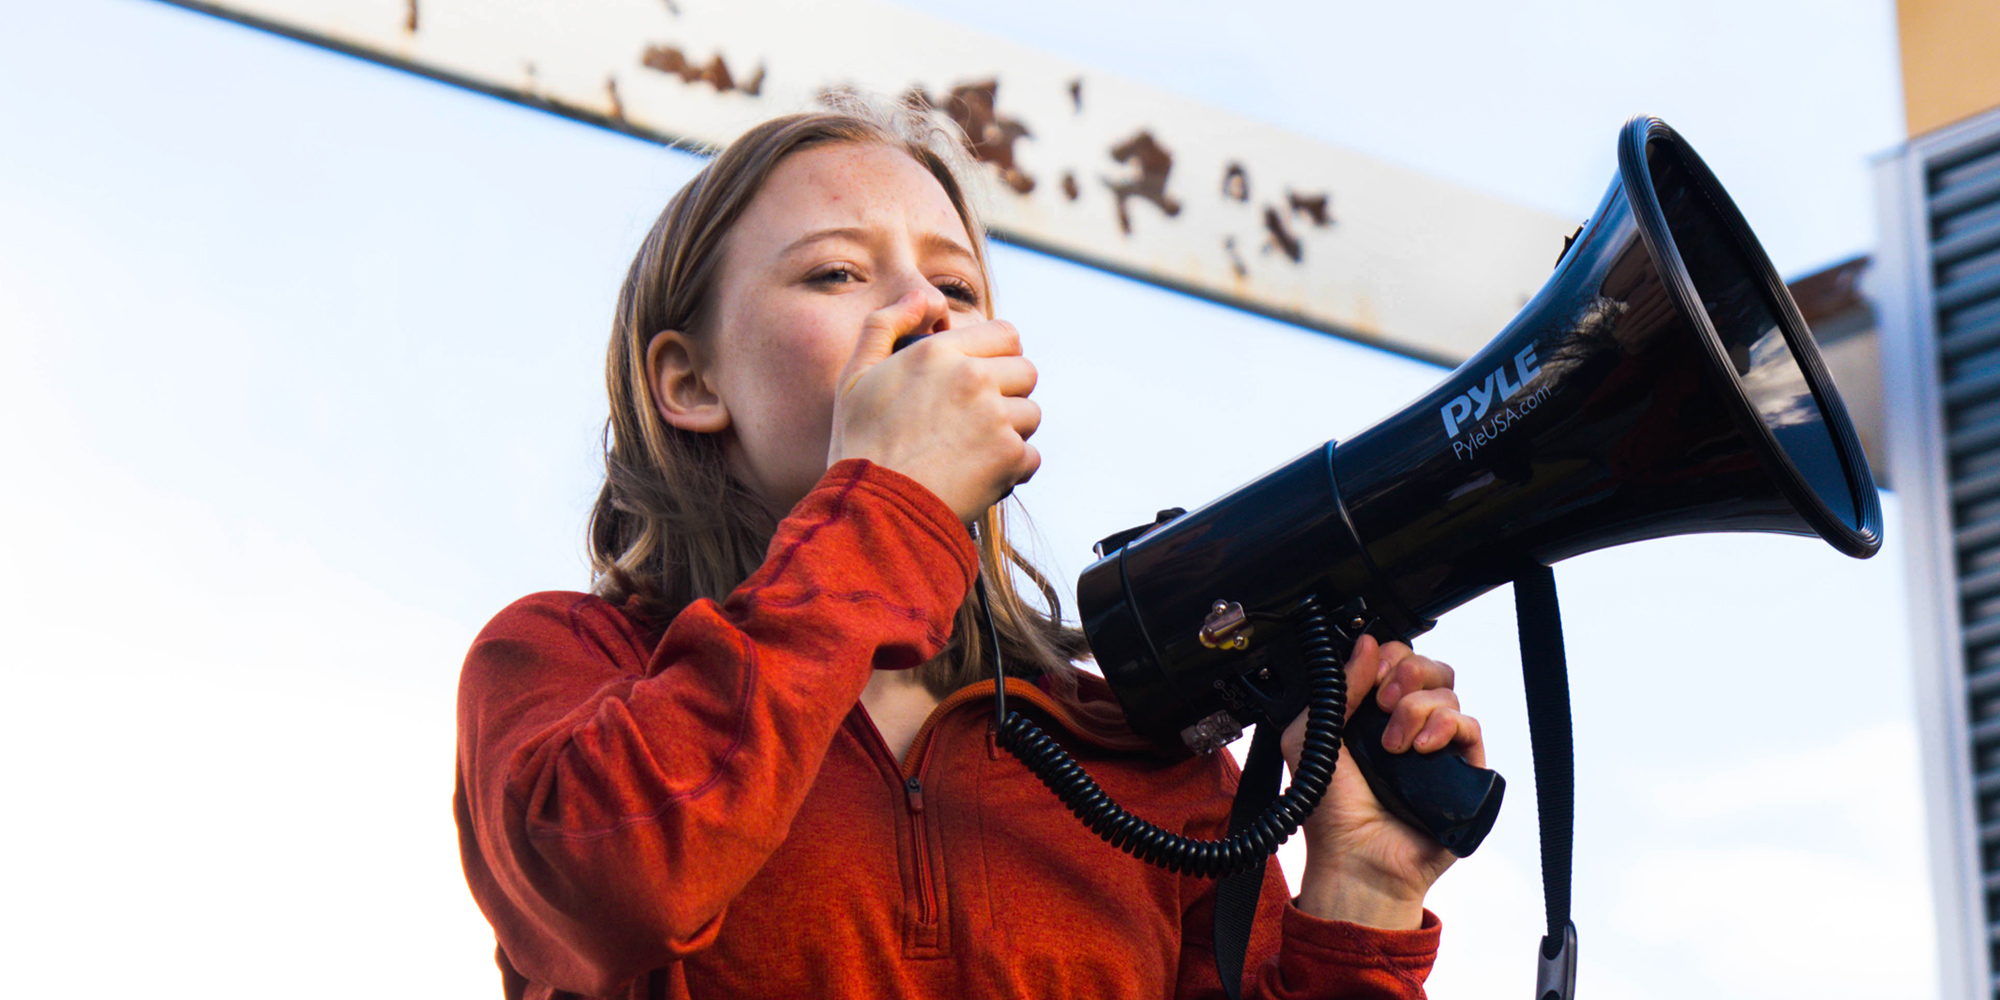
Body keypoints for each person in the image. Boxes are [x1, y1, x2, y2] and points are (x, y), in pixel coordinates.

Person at [454, 98, 1486, 1000]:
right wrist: (885, 498)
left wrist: (1361, 901)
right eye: (836, 272)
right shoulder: (565, 665)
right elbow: (617, 883)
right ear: (689, 381)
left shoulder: (1144, 763)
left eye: (957, 284)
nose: (922, 310)